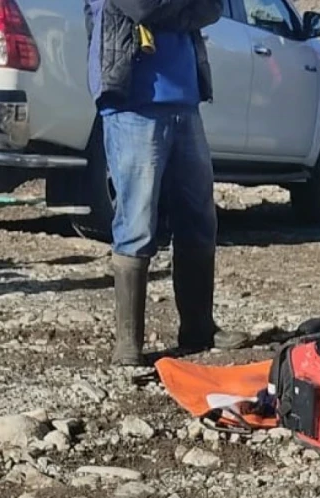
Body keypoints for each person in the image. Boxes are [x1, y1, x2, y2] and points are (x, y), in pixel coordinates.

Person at [84, 0, 248, 366]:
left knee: (199, 219)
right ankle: (129, 345)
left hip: (184, 101)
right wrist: (184, 9)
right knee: (137, 223)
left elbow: (212, 8)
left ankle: (198, 328)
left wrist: (178, 10)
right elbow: (143, 7)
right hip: (133, 102)